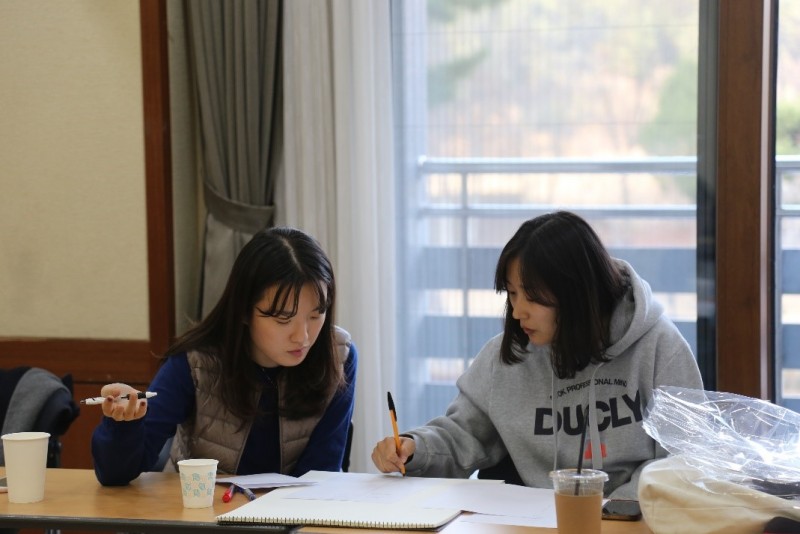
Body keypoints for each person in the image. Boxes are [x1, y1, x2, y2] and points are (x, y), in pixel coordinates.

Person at [372, 211, 702, 499]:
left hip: (632, 520)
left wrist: (615, 510)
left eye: (531, 297)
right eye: (512, 294)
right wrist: (414, 448)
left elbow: (683, 461)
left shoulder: (660, 348)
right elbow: (462, 436)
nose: (518, 312)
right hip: (534, 521)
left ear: (575, 292)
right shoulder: (507, 357)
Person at [92, 227, 357, 486]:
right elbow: (115, 475)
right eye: (283, 319)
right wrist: (123, 424)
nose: (303, 337)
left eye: (316, 315)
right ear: (243, 310)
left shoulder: (338, 356)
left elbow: (319, 474)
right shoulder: (195, 361)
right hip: (201, 509)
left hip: (291, 512)